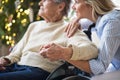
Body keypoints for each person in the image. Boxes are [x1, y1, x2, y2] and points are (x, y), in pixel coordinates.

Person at [0, 0, 98, 80]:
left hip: (39, 71)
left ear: (60, 7)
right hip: (15, 67)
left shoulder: (69, 28)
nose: (40, 3)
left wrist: (64, 52)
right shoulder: (33, 26)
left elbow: (91, 50)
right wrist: (5, 60)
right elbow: (16, 54)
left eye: (45, 0)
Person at [40, 0, 120, 76]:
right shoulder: (100, 19)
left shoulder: (111, 22)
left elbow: (99, 67)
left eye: (77, 2)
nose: (73, 7)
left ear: (91, 4)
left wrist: (63, 54)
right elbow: (83, 23)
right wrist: (76, 19)